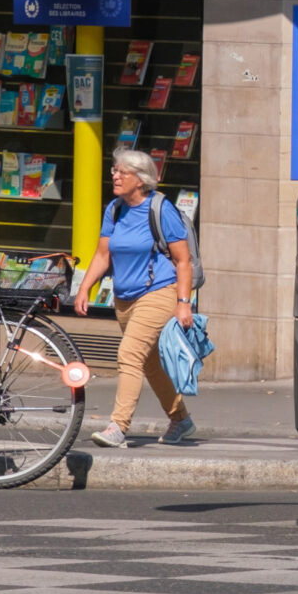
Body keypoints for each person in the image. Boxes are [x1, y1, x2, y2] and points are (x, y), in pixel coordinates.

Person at [74, 149, 197, 447]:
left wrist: (184, 303)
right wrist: (84, 287)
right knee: (150, 364)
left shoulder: (161, 209)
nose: (115, 176)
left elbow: (183, 261)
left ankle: (118, 426)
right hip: (124, 299)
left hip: (158, 293)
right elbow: (103, 254)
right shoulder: (115, 209)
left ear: (140, 180)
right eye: (114, 170)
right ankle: (180, 419)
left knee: (129, 354)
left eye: (122, 172)